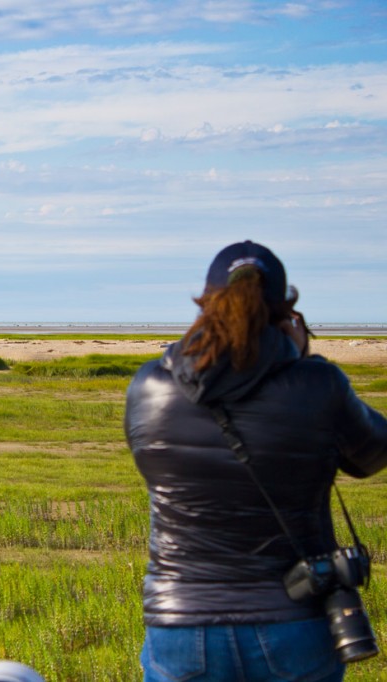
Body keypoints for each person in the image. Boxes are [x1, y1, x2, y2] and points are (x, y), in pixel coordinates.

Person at [124, 241, 387, 681]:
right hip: (293, 613)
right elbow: (371, 456)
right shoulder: (318, 384)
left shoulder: (151, 386)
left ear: (205, 303)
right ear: (286, 311)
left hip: (183, 617)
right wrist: (301, 359)